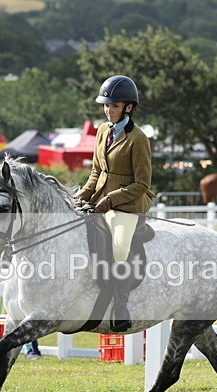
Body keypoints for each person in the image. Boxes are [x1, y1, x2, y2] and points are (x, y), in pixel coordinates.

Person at [75, 75, 153, 332]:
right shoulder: (101, 131)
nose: (108, 110)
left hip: (127, 206)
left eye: (114, 105)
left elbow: (142, 184)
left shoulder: (138, 139)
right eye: (106, 105)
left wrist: (110, 200)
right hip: (100, 201)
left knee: (119, 250)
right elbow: (97, 172)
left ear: (128, 107)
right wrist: (80, 198)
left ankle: (121, 305)